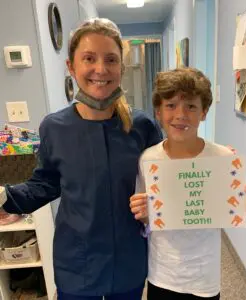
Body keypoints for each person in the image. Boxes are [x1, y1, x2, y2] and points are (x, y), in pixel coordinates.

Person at [0, 18, 162, 300]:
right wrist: (5, 196)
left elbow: (165, 182)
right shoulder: (54, 127)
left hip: (128, 260)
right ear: (71, 67)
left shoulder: (142, 127)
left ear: (121, 68)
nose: (101, 69)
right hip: (76, 261)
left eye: (111, 59)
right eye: (89, 58)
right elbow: (46, 184)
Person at [130, 67, 246, 300]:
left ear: (204, 112)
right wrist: (143, 213)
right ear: (158, 112)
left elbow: (232, 211)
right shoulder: (149, 160)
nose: (180, 114)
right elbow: (148, 220)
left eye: (191, 106)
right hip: (162, 273)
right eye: (171, 105)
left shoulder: (224, 159)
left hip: (204, 275)